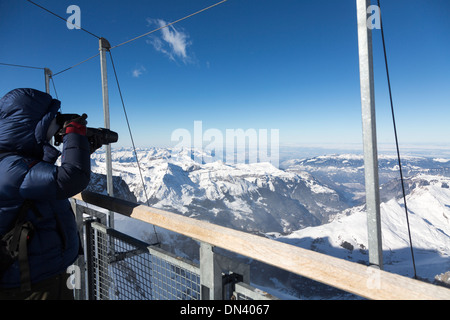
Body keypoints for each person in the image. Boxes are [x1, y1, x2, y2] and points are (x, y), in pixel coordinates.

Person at [0, 88, 91, 300]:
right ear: (34, 126)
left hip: (36, 271)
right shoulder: (9, 167)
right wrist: (75, 134)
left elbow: (37, 183)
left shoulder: (10, 162)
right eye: (51, 121)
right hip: (31, 283)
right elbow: (70, 179)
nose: (55, 129)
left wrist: (79, 148)